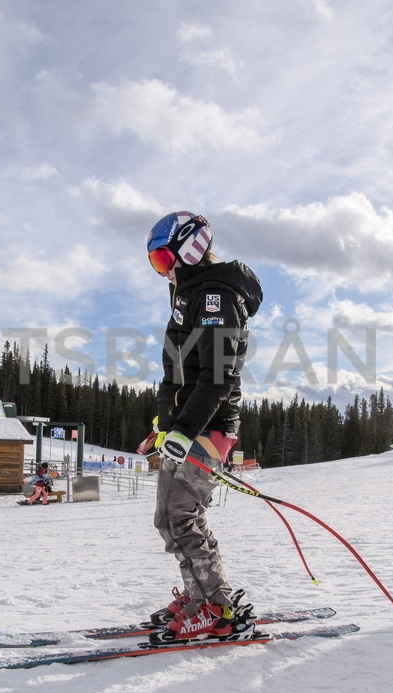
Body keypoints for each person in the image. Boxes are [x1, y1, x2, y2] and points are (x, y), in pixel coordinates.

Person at [137, 211, 263, 641]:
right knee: (166, 518)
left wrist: (185, 428)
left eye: (162, 259)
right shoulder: (188, 295)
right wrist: (164, 424)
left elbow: (217, 377)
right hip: (186, 428)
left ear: (189, 248)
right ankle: (197, 598)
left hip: (209, 426)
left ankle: (218, 608)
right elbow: (178, 374)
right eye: (155, 263)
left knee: (182, 515)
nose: (162, 271)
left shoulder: (215, 296)